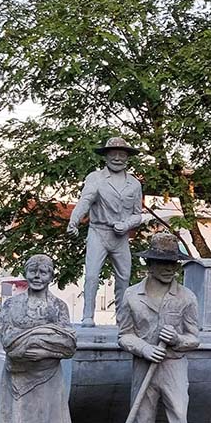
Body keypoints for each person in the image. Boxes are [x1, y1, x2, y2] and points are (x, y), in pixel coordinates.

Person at [117, 233, 200, 423]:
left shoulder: (186, 297)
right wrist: (143, 348)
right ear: (149, 265)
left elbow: (194, 338)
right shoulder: (132, 295)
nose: (168, 269)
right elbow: (124, 335)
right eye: (162, 263)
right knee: (141, 419)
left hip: (174, 365)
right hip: (144, 366)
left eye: (173, 264)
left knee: (179, 416)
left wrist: (177, 340)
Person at [0, 254, 78, 423]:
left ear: (51, 276)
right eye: (33, 271)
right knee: (16, 422)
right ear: (25, 272)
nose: (37, 276)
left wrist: (44, 352)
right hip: (17, 373)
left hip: (49, 373)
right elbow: (9, 340)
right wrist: (41, 339)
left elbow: (68, 343)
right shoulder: (11, 305)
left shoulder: (58, 306)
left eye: (43, 272)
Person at [67, 137, 151, 327]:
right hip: (98, 232)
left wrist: (127, 224)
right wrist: (74, 220)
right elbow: (85, 201)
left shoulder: (134, 184)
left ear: (127, 158)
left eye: (122, 154)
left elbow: (138, 214)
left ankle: (122, 318)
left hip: (121, 237)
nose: (117, 158)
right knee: (91, 275)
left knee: (124, 277)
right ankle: (88, 316)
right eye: (113, 154)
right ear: (105, 156)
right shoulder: (95, 178)